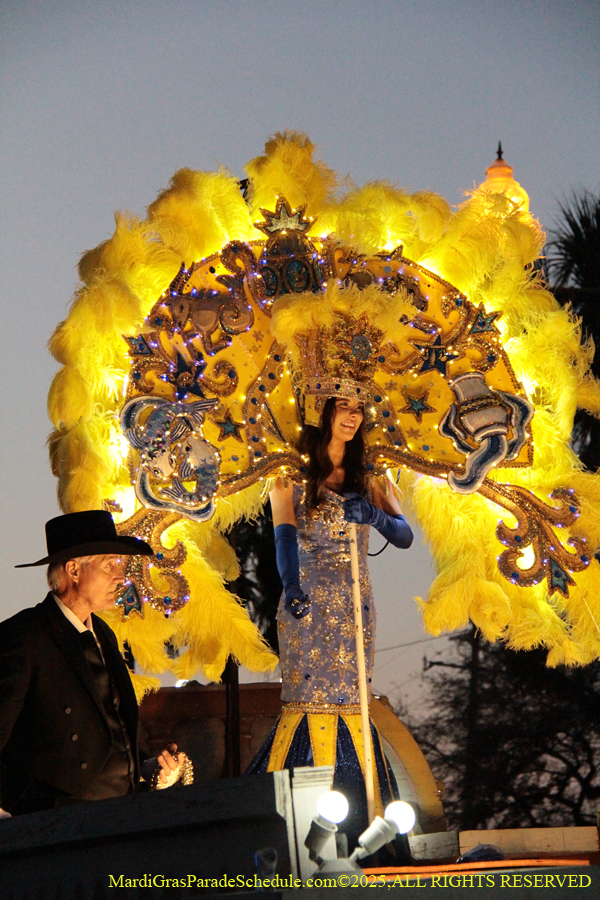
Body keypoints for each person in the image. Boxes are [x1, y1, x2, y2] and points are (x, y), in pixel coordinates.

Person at [247, 396, 413, 846]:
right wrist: (292, 586)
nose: (352, 414)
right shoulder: (291, 473)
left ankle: (367, 816)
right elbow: (282, 536)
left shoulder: (370, 475)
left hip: (357, 606)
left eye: (359, 406)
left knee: (353, 699)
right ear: (323, 411)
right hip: (310, 604)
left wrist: (374, 514)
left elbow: (404, 536)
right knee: (311, 697)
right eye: (342, 404)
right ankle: (294, 821)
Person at [0, 510, 184, 817]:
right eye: (109, 564)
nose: (120, 575)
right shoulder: (25, 637)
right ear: (73, 570)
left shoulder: (105, 635)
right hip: (55, 820)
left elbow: (110, 728)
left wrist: (147, 768)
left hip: (121, 811)